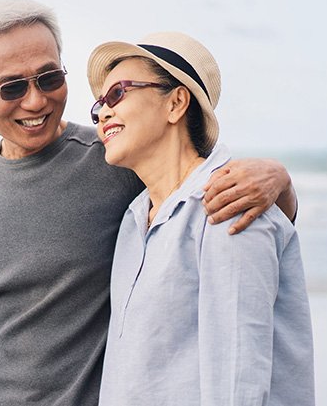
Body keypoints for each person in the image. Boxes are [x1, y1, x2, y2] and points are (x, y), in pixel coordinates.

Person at [0, 0, 299, 406]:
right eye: (12, 87)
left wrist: (280, 182)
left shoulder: (119, 160)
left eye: (48, 78)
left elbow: (205, 182)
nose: (35, 101)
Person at [88, 32, 314, 405]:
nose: (104, 113)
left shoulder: (228, 203)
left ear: (176, 103)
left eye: (118, 94)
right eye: (98, 106)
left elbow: (237, 377)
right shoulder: (132, 220)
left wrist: (282, 183)